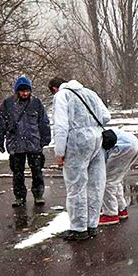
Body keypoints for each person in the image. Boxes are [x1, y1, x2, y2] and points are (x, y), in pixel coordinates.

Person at [49, 77, 111, 241]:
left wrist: (60, 153)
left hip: (77, 141)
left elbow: (61, 126)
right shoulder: (90, 93)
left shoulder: (62, 96)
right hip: (97, 139)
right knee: (95, 185)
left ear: (55, 88)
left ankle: (78, 228)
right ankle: (92, 225)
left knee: (76, 186)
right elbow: (106, 116)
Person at [0, 76, 51, 207]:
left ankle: (38, 195)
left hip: (34, 143)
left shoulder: (36, 103)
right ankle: (19, 197)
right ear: (17, 91)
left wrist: (45, 139)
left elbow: (44, 122)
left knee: (37, 171)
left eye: (27, 90)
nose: (25, 93)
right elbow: (1, 123)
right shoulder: (8, 104)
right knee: (17, 173)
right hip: (15, 143)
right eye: (22, 91)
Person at [99, 129, 138, 226]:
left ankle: (110, 214)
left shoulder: (85, 137)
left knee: (107, 181)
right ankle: (120, 208)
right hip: (131, 143)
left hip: (122, 147)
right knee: (115, 179)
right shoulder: (93, 130)